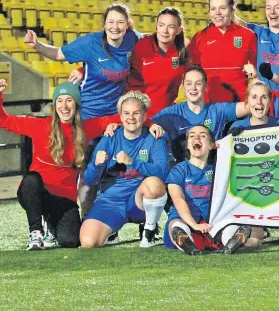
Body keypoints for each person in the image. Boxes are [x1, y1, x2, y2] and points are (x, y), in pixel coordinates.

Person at [0, 80, 134, 250]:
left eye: (69, 100)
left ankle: (50, 223)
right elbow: (3, 120)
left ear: (77, 104)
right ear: (54, 105)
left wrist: (149, 125)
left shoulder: (86, 128)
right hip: (36, 192)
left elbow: (128, 118)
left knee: (70, 241)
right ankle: (36, 232)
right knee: (32, 179)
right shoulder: (39, 125)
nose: (64, 106)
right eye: (60, 100)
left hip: (64, 197)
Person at [80, 91, 169, 248]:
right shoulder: (110, 137)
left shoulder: (154, 138)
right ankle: (112, 230)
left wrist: (133, 162)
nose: (131, 118)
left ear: (144, 115)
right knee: (88, 242)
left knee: (154, 183)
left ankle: (149, 231)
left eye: (136, 113)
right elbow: (88, 179)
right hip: (110, 202)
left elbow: (163, 172)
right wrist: (97, 165)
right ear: (120, 116)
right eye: (126, 113)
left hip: (138, 202)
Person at [24, 3, 140, 119]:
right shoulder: (90, 43)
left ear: (127, 24)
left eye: (120, 22)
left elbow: (155, 40)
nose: (115, 27)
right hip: (89, 113)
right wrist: (37, 45)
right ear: (104, 24)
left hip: (116, 115)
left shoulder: (132, 38)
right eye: (110, 22)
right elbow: (58, 54)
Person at [165, 125, 257, 255]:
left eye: (202, 135)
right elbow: (178, 199)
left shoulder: (220, 169)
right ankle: (188, 244)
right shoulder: (178, 170)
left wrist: (239, 139)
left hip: (213, 223)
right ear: (187, 145)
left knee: (231, 229)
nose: (196, 137)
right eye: (192, 135)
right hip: (186, 219)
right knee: (177, 225)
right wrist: (194, 225)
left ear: (211, 145)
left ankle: (230, 242)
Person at [150, 65, 249, 162]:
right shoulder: (171, 113)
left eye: (198, 83)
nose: (193, 88)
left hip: (211, 166)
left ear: (205, 86)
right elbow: (143, 125)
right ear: (183, 87)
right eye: (189, 83)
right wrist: (151, 125)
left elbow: (250, 106)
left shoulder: (217, 110)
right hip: (183, 170)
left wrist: (256, 80)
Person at [188, 0, 257, 103]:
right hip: (208, 106)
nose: (217, 13)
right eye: (213, 9)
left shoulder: (248, 35)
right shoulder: (199, 37)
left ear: (232, 10)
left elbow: (257, 72)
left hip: (239, 105)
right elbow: (190, 70)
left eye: (223, 8)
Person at [127, 7, 188, 116]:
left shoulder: (183, 52)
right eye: (161, 25)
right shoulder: (141, 45)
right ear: (156, 26)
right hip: (139, 115)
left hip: (167, 116)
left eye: (171, 27)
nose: (164, 31)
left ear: (179, 30)